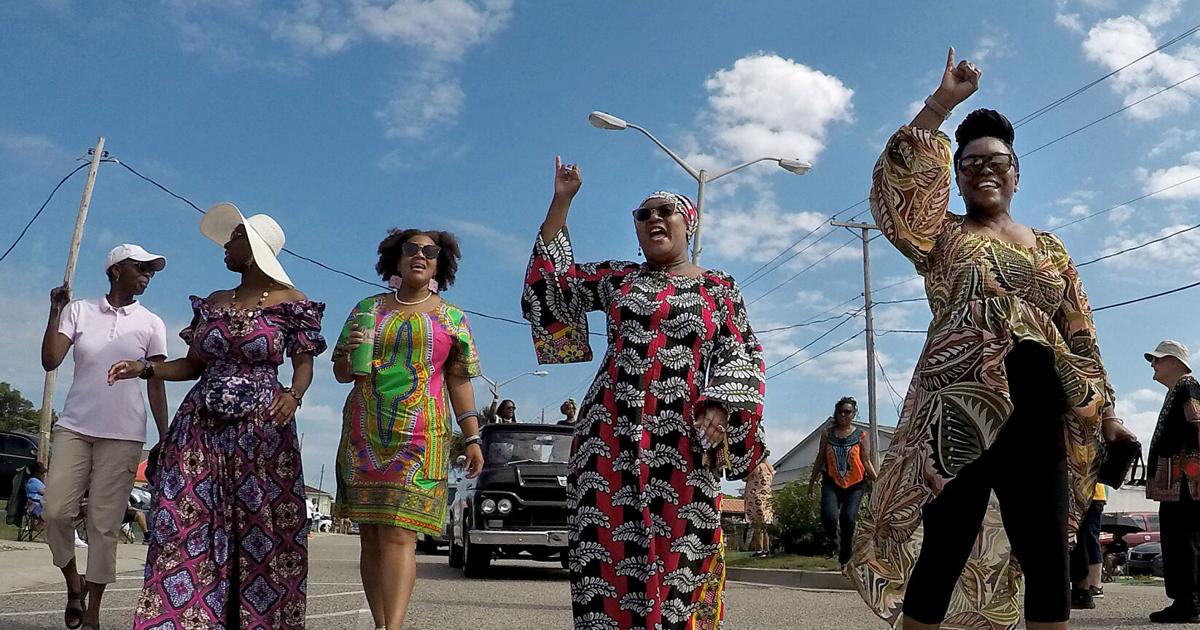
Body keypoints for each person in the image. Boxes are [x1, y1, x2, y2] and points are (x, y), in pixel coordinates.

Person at [844, 49, 1136, 630]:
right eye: (969, 162)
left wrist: (1107, 414)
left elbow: (1080, 332)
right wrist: (943, 104)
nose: (983, 169)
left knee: (1047, 556)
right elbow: (896, 192)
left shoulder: (1050, 248)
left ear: (1016, 171)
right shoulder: (942, 235)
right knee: (944, 549)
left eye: (996, 160)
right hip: (958, 415)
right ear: (955, 177)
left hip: (1041, 412)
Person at [521, 157, 767, 629]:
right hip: (607, 443)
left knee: (682, 562)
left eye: (665, 211)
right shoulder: (619, 279)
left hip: (683, 442)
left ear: (687, 225)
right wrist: (562, 201)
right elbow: (550, 289)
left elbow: (742, 351)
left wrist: (721, 403)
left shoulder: (719, 288)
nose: (654, 218)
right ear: (636, 231)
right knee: (605, 561)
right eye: (643, 214)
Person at [108, 203, 326, 630]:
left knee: (262, 532)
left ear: (255, 247)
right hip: (200, 428)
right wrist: (146, 367)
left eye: (235, 238)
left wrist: (294, 395)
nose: (226, 246)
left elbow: (304, 364)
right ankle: (183, 619)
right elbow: (192, 365)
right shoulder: (213, 303)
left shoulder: (291, 303)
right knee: (184, 523)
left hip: (262, 432)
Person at [332, 228, 485, 630]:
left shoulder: (452, 318)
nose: (420, 255)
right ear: (396, 259)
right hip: (363, 434)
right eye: (411, 249)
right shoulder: (367, 308)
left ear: (440, 263)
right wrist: (348, 356)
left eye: (430, 251)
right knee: (372, 536)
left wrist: (472, 438)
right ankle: (381, 623)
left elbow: (459, 381)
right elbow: (341, 373)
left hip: (422, 437)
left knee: (400, 535)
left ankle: (393, 627)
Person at [40, 243, 169, 630]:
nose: (147, 274)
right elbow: (50, 360)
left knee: (103, 525)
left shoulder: (151, 323)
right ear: (116, 270)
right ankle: (72, 583)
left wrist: (165, 435)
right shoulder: (78, 310)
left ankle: (92, 615)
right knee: (56, 512)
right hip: (75, 426)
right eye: (140, 267)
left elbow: (156, 381)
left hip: (124, 434)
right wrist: (55, 311)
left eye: (151, 270)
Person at [1143, 340, 1200, 623]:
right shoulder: (1180, 390)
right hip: (1180, 480)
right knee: (1179, 537)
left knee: (1182, 538)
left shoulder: (1187, 387)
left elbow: (1197, 426)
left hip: (1185, 481)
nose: (1153, 364)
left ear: (1176, 362)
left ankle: (1188, 602)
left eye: (1158, 359)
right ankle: (1187, 599)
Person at [807, 397, 876, 566]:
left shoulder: (860, 434)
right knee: (829, 516)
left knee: (849, 518)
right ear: (836, 413)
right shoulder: (827, 433)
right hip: (831, 482)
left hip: (855, 484)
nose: (844, 415)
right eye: (841, 411)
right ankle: (834, 541)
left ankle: (845, 555)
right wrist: (812, 481)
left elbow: (866, 461)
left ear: (854, 414)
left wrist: (878, 481)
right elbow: (820, 457)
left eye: (848, 412)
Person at [744, 459, 775, 558]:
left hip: (755, 497)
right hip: (766, 497)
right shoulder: (769, 468)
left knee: (757, 525)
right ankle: (767, 549)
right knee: (765, 525)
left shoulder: (755, 466)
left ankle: (760, 550)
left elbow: (745, 477)